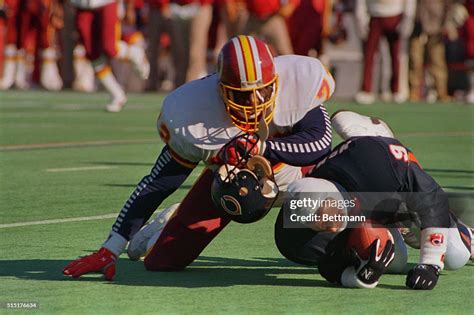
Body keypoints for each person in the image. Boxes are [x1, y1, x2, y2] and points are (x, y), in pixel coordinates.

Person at [63, 35, 336, 280]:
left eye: (262, 91)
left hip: (300, 172)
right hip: (232, 185)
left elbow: (321, 141)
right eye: (242, 95)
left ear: (276, 81)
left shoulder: (299, 78)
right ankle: (168, 221)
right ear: (221, 90)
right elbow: (158, 183)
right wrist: (110, 249)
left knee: (331, 227)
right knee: (161, 262)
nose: (255, 103)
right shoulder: (193, 111)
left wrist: (261, 148)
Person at [275, 125, 472, 290]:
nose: (333, 227)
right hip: (366, 207)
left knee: (456, 256)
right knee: (395, 262)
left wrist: (430, 263)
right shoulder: (293, 238)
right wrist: (360, 277)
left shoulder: (374, 165)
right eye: (323, 227)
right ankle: (394, 227)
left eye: (330, 216)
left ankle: (374, 131)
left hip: (393, 190)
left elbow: (432, 195)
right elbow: (329, 268)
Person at [62, 0, 150, 112]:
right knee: (91, 53)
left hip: (105, 2)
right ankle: (116, 94)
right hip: (81, 4)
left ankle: (135, 53)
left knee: (110, 47)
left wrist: (129, 5)